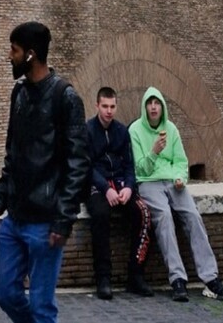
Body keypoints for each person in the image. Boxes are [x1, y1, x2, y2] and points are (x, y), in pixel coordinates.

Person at [0, 21, 89, 323]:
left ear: (31, 55)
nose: (9, 56)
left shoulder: (66, 98)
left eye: (14, 50)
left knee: (42, 306)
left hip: (46, 224)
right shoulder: (17, 94)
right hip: (15, 219)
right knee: (5, 294)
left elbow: (78, 164)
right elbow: (13, 154)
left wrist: (63, 221)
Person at [129, 86, 223, 304]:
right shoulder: (135, 131)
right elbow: (139, 169)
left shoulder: (172, 129)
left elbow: (180, 161)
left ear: (162, 106)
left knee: (193, 216)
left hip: (173, 183)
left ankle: (211, 278)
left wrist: (180, 178)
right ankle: (177, 279)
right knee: (164, 218)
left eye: (157, 103)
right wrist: (154, 151)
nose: (153, 107)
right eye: (149, 103)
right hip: (149, 183)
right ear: (144, 107)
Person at [85, 86, 153, 299]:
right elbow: (86, 166)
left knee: (143, 213)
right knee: (100, 216)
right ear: (97, 106)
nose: (109, 111)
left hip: (121, 184)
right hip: (96, 185)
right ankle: (103, 278)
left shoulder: (122, 132)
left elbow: (129, 165)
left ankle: (136, 274)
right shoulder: (87, 131)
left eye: (112, 106)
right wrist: (106, 189)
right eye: (105, 106)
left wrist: (128, 187)